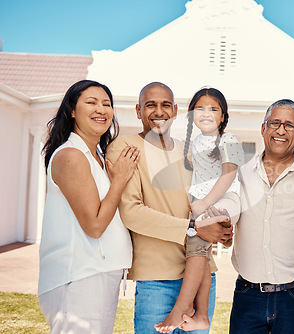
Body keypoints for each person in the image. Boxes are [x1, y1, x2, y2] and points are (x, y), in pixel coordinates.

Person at [106, 82, 232, 334]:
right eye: (150, 104)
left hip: (201, 275)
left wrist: (222, 231)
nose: (158, 111)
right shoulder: (125, 149)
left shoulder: (189, 152)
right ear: (138, 110)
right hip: (157, 279)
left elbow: (203, 201)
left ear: (175, 110)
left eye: (165, 105)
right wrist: (193, 229)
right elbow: (131, 212)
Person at [38, 79, 138, 333]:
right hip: (80, 278)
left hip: (98, 274)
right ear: (72, 110)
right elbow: (94, 225)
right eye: (91, 102)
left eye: (107, 104)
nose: (101, 109)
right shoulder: (71, 156)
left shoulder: (99, 157)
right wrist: (120, 180)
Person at [154, 87, 243, 333]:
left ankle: (182, 307)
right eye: (200, 108)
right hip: (204, 203)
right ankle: (200, 315)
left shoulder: (229, 139)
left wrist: (204, 204)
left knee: (196, 240)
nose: (206, 113)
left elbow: (229, 174)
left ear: (223, 116)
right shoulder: (193, 143)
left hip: (227, 199)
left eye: (213, 109)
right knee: (201, 253)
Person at [229, 99, 294, 334]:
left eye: (289, 125)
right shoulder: (241, 173)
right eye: (275, 123)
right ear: (263, 129)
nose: (281, 130)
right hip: (248, 293)